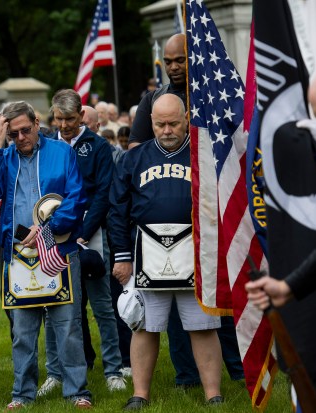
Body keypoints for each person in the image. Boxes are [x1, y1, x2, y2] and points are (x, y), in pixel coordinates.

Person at [0, 100, 92, 409]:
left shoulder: (61, 151)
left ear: (38, 123)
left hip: (58, 247)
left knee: (68, 326)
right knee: (23, 330)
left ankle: (77, 391)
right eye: (14, 134)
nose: (21, 137)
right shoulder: (5, 155)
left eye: (26, 130)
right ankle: (22, 394)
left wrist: (49, 229)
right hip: (19, 252)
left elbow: (77, 196)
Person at [110, 94, 223, 410]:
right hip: (147, 253)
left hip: (196, 252)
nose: (167, 129)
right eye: (160, 124)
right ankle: (140, 394)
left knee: (203, 326)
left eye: (174, 122)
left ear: (187, 119)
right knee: (145, 325)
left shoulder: (204, 156)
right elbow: (117, 211)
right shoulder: (133, 159)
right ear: (151, 123)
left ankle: (213, 394)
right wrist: (121, 256)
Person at [40, 89, 125, 396]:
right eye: (58, 118)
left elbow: (104, 192)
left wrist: (84, 232)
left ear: (81, 116)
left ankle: (113, 368)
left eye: (69, 118)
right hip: (54, 229)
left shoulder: (98, 146)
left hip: (90, 229)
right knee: (55, 303)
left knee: (102, 303)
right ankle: (56, 372)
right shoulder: (46, 146)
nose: (63, 124)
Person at [128, 34, 187, 149]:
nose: (174, 67)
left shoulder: (210, 96)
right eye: (168, 62)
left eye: (180, 60)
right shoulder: (151, 99)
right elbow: (135, 146)